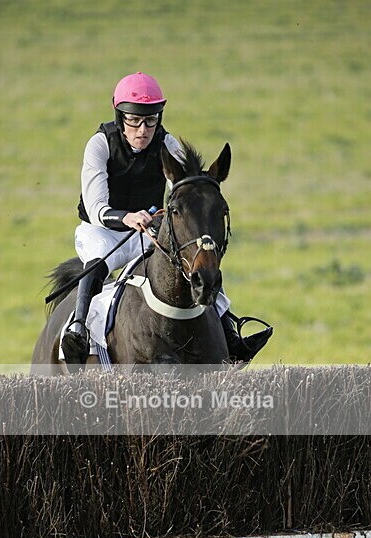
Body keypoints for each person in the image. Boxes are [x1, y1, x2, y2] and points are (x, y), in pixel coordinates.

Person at [61, 72, 271, 364]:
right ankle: (78, 330)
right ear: (120, 116)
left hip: (147, 230)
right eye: (134, 120)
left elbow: (183, 192)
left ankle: (230, 335)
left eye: (151, 120)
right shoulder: (99, 145)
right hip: (102, 231)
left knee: (195, 261)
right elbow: (97, 207)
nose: (143, 129)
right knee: (96, 262)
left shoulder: (167, 144)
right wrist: (127, 218)